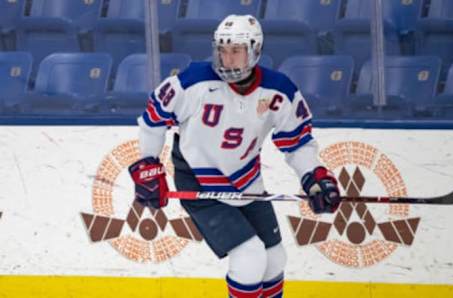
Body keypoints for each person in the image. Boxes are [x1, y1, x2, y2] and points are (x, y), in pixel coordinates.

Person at [129, 14, 341, 298]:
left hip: (246, 182)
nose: (227, 59)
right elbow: (153, 118)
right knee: (249, 257)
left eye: (236, 51)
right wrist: (148, 163)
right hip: (199, 180)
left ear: (254, 50)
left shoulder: (279, 91)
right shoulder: (193, 81)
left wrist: (314, 179)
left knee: (275, 259)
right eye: (223, 50)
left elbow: (298, 142)